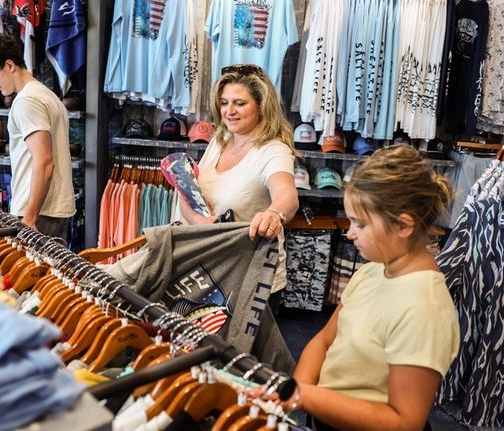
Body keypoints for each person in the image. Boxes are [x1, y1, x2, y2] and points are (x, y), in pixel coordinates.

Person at [257, 145, 460, 431]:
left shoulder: (423, 309)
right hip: (325, 415)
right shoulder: (372, 270)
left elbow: (404, 421)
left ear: (403, 225)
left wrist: (306, 396)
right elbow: (324, 341)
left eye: (360, 224)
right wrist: (298, 392)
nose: (350, 233)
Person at [179, 63, 299, 294]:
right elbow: (192, 191)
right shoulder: (220, 139)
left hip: (248, 280)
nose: (229, 111)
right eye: (224, 103)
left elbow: (287, 195)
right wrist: (196, 221)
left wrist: (274, 214)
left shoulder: (273, 151)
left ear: (261, 107)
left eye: (240, 103)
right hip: (207, 271)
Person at [0, 34, 75, 242]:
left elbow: (45, 162)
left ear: (9, 65)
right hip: (50, 211)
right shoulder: (46, 94)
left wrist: (29, 217)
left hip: (39, 214)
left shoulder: (27, 100)